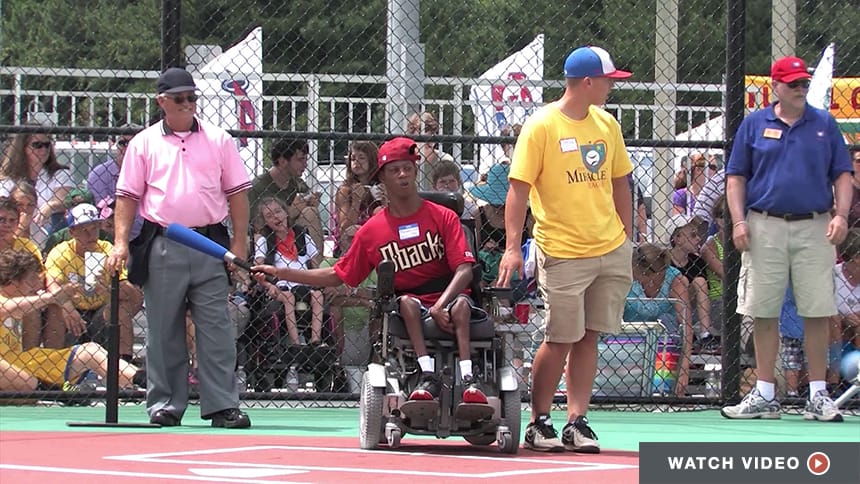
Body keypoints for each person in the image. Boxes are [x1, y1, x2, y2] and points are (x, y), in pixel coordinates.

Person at [252, 136, 489, 405]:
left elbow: (465, 270)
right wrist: (281, 272)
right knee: (408, 304)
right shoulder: (373, 231)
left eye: (408, 168)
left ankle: (471, 380)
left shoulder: (443, 216)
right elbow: (337, 275)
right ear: (382, 179)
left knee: (461, 306)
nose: (402, 175)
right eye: (394, 170)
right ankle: (427, 375)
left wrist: (439, 306)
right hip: (410, 301)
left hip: (450, 297)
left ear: (415, 171)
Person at [497, 45, 634, 453]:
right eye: (608, 80)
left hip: (608, 248)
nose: (611, 86)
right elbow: (518, 191)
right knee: (559, 337)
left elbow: (620, 181)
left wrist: (625, 237)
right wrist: (512, 248)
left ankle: (578, 421)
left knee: (589, 336)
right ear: (588, 82)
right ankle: (539, 421)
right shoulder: (541, 126)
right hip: (563, 250)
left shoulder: (607, 125)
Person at [107, 67, 252, 428]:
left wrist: (239, 240)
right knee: (162, 328)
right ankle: (165, 405)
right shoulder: (143, 143)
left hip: (209, 241)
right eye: (179, 98)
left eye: (192, 97)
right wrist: (121, 242)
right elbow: (126, 196)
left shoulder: (219, 139)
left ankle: (222, 405)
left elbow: (237, 193)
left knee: (216, 327)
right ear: (162, 102)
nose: (187, 104)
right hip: (163, 240)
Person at [721, 56, 850, 422]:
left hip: (815, 224)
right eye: (793, 83)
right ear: (775, 87)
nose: (800, 89)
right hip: (764, 225)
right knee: (763, 308)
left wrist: (840, 215)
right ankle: (764, 394)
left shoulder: (824, 123)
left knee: (818, 309)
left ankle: (818, 395)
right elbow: (736, 178)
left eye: (804, 83)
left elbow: (842, 173)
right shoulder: (754, 124)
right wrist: (738, 221)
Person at [0, 249, 146, 392]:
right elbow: (5, 308)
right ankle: (50, 390)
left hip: (24, 364)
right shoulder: (6, 301)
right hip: (8, 373)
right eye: (31, 279)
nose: (37, 285)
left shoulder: (21, 303)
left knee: (90, 351)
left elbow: (19, 308)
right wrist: (51, 298)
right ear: (13, 282)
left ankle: (144, 381)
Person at [44, 203, 143, 363]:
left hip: (100, 310)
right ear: (72, 232)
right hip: (74, 309)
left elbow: (131, 293)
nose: (91, 235)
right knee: (55, 309)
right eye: (84, 229)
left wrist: (109, 289)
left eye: (95, 228)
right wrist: (67, 308)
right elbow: (52, 284)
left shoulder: (107, 249)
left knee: (121, 308)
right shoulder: (61, 252)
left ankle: (124, 363)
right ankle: (52, 367)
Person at [253, 197, 324, 345]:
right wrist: (268, 285)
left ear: (286, 213)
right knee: (289, 298)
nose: (276, 217)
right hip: (281, 287)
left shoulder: (302, 235)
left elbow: (314, 264)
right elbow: (257, 268)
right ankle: (296, 343)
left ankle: (315, 340)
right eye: (269, 216)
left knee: (318, 296)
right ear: (266, 222)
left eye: (278, 212)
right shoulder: (265, 240)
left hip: (305, 284)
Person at [623, 243, 692, 396]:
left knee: (666, 320)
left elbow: (686, 325)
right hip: (630, 337)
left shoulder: (675, 280)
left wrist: (685, 369)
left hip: (664, 339)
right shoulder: (626, 277)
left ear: (648, 272)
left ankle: (659, 390)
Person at [248, 139, 324, 264]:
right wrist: (288, 212)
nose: (305, 164)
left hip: (294, 233)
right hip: (268, 236)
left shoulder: (296, 183)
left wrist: (310, 202)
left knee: (311, 212)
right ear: (282, 161)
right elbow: (257, 226)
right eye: (300, 159)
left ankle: (316, 269)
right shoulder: (258, 187)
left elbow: (304, 209)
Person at [0, 125, 75, 245]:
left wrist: (50, 206)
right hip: (15, 229)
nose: (44, 150)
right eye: (37, 145)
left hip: (48, 229)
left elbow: (64, 200)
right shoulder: (9, 178)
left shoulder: (59, 174)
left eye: (47, 145)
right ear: (23, 148)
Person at [87, 124, 145, 240]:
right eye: (123, 143)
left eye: (134, 144)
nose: (127, 148)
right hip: (108, 239)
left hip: (145, 238)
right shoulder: (99, 175)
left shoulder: (152, 174)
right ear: (116, 145)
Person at [407, 111, 455, 191]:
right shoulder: (405, 161)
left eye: (431, 136)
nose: (427, 142)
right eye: (421, 138)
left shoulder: (445, 160)